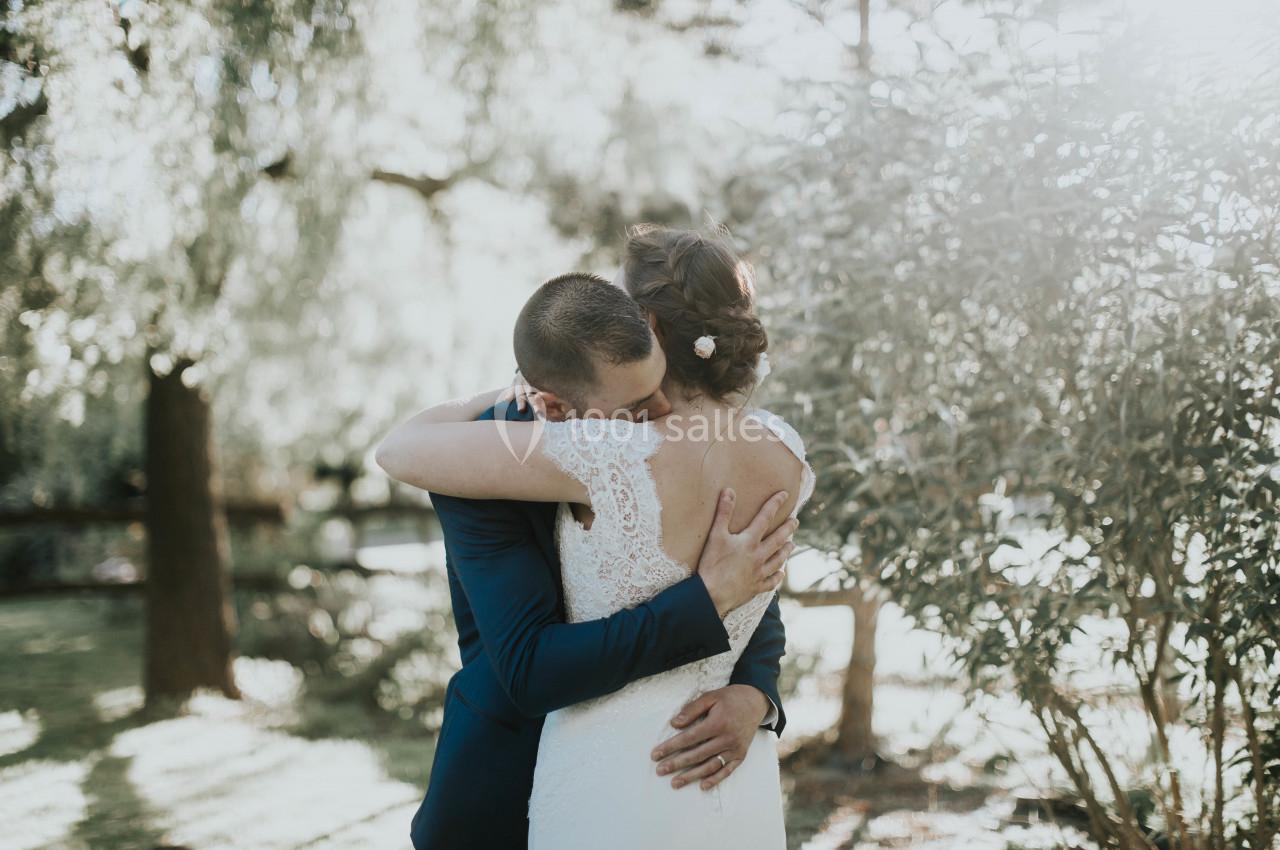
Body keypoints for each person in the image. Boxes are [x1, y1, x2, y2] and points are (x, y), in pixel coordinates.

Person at [377, 232, 806, 849]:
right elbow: (528, 666)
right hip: (506, 786)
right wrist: (704, 603)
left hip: (691, 778)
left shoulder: (702, 441)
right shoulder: (482, 453)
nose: (658, 406)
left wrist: (754, 691)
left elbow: (751, 577)